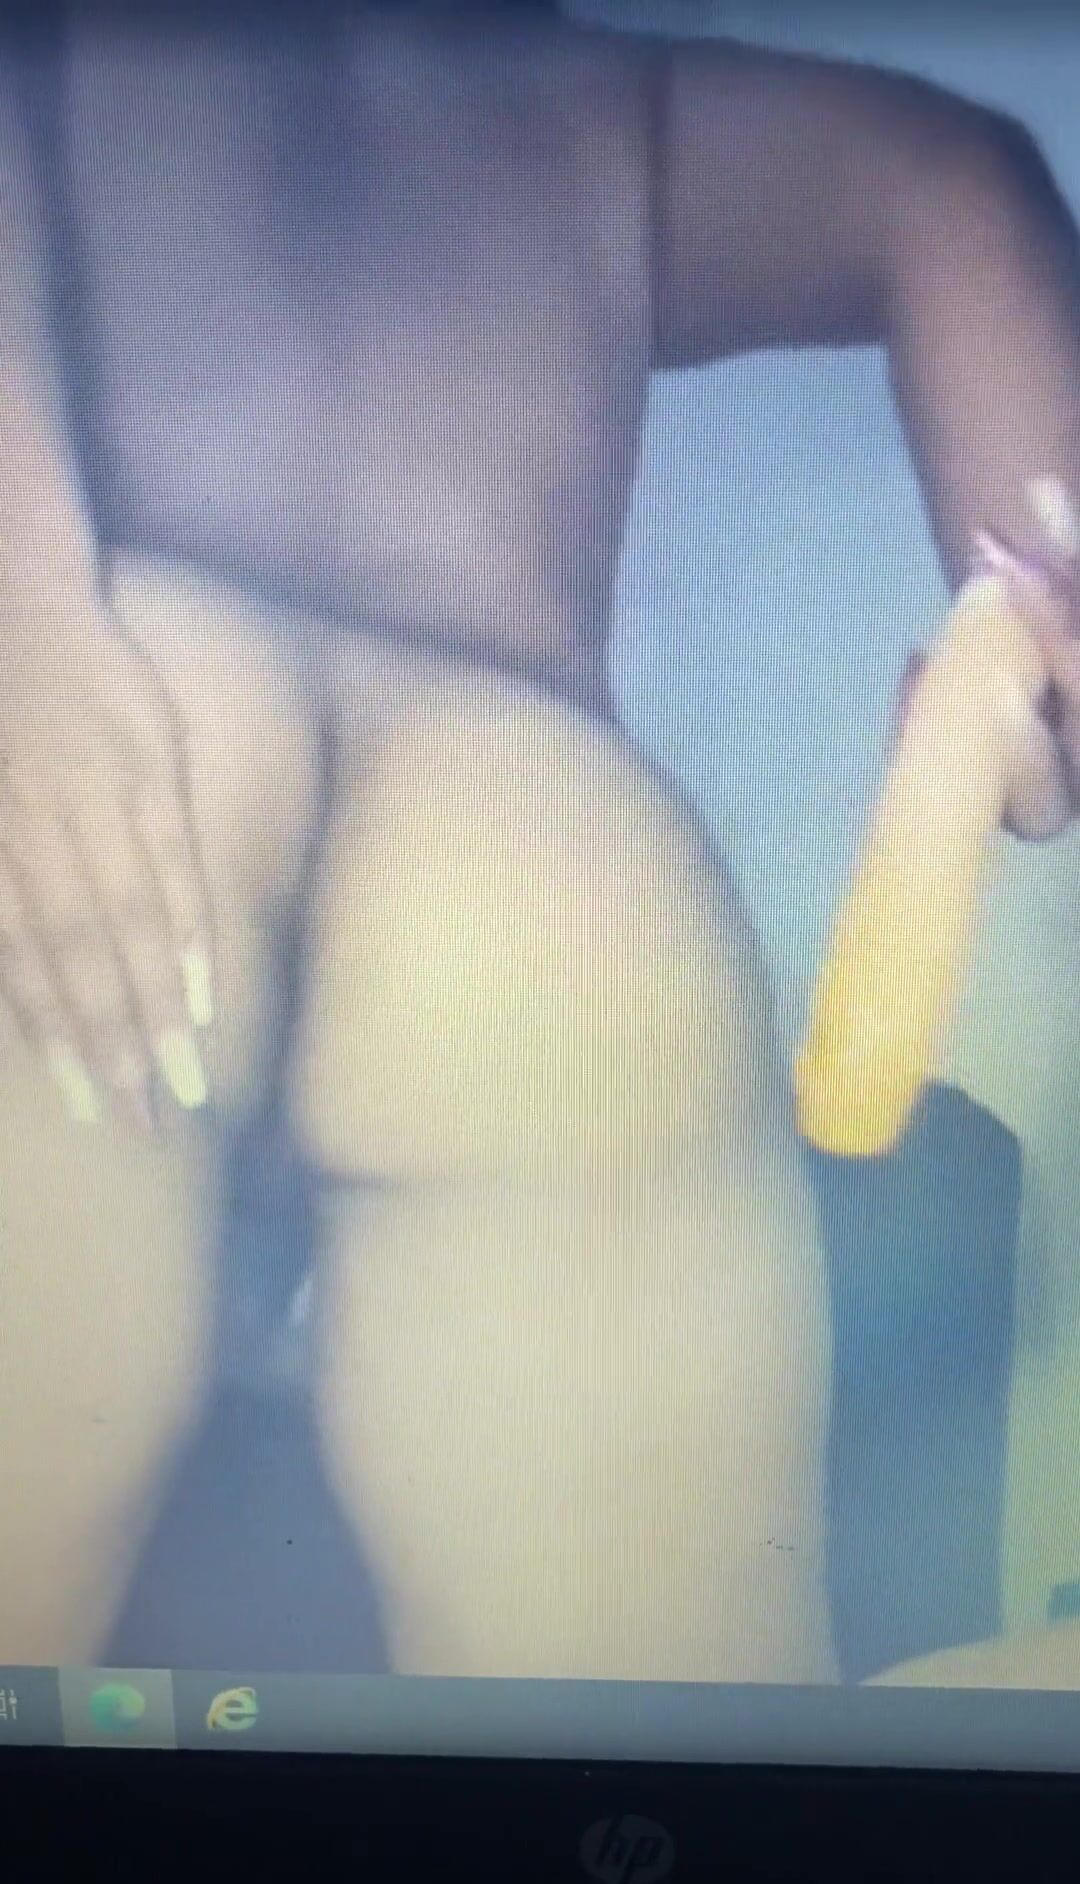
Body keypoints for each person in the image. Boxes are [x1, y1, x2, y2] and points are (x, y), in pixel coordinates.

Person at [1, 0, 1079, 1682]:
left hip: (123, 706)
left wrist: (29, 612)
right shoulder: (601, 93)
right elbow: (958, 172)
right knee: (678, 1727)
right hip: (535, 845)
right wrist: (1027, 634)